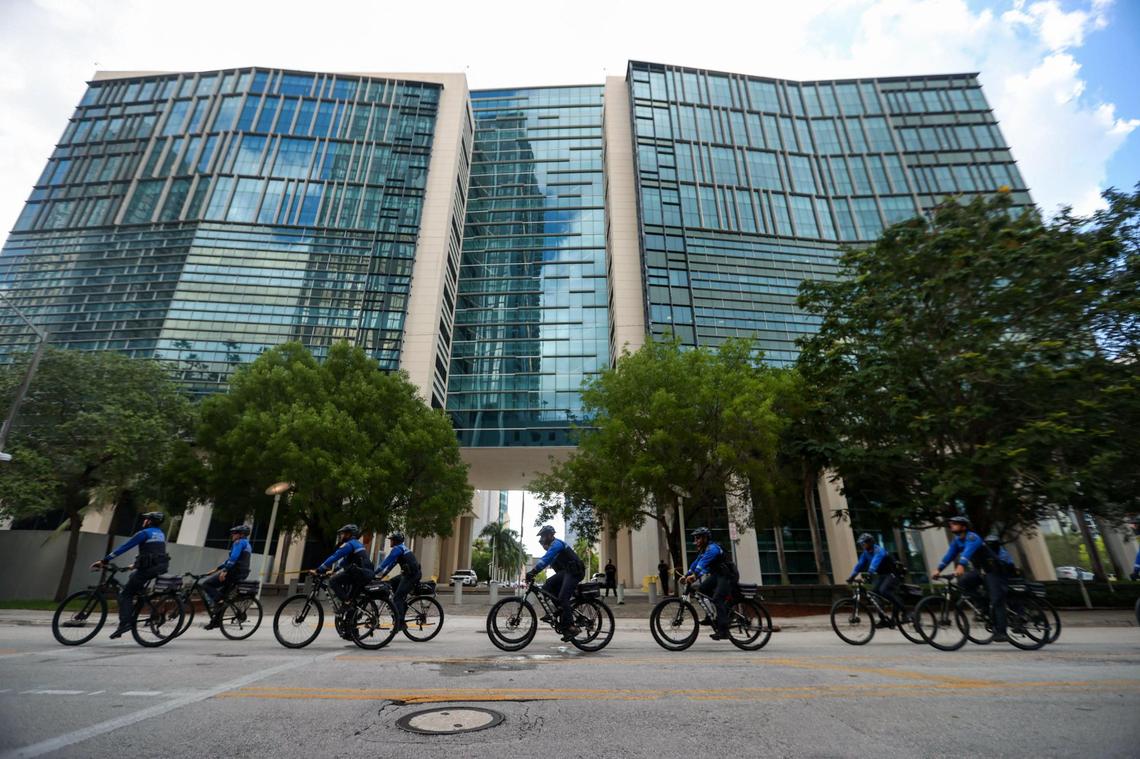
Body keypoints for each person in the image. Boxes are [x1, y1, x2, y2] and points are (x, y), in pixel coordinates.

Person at [90, 511, 170, 639]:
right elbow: (154, 551)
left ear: (149, 521)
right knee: (134, 579)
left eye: (146, 519)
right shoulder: (160, 534)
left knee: (125, 594)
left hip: (148, 569)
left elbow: (124, 547)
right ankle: (139, 603)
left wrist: (104, 560)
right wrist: (134, 565)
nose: (144, 521)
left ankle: (125, 624)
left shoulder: (143, 533)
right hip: (160, 567)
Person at [933, 516, 1008, 642]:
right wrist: (939, 569)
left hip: (993, 570)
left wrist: (961, 565)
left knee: (996, 599)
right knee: (963, 582)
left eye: (955, 524)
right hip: (981, 571)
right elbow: (949, 555)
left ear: (964, 526)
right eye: (951, 524)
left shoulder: (973, 537)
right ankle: (983, 606)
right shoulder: (957, 541)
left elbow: (968, 552)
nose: (951, 526)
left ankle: (1002, 632)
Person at [526, 525, 585, 641]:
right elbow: (555, 568)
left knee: (563, 597)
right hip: (567, 572)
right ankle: (560, 611)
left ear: (550, 535)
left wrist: (533, 572)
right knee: (547, 586)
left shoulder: (556, 544)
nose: (542, 540)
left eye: (543, 537)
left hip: (575, 571)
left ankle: (571, 627)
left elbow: (545, 559)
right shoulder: (552, 551)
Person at [682, 527, 734, 641]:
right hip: (717, 575)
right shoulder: (704, 550)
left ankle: (724, 631)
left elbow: (703, 564)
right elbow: (696, 563)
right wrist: (686, 575)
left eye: (698, 538)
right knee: (702, 590)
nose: (696, 541)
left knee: (717, 598)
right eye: (695, 538)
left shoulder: (712, 548)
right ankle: (710, 617)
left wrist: (695, 575)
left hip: (727, 576)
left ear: (705, 538)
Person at [846, 533, 903, 626]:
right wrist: (852, 577)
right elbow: (859, 565)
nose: (862, 546)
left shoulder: (879, 550)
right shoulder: (865, 553)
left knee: (883, 590)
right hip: (883, 575)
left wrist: (869, 574)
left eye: (863, 543)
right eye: (861, 544)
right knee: (875, 594)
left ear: (870, 542)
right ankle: (883, 619)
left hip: (893, 573)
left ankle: (905, 611)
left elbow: (874, 563)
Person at [201, 525, 252, 630]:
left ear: (241, 535)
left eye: (235, 533)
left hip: (234, 573)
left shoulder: (238, 542)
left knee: (207, 584)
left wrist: (224, 570)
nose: (232, 535)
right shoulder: (247, 544)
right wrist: (218, 568)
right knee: (222, 596)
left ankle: (218, 601)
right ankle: (216, 621)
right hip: (241, 573)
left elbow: (233, 558)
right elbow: (233, 559)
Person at [315, 524, 374, 602]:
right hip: (365, 574)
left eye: (343, 533)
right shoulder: (357, 543)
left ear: (348, 534)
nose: (341, 536)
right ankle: (349, 607)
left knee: (333, 581)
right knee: (351, 600)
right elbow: (344, 561)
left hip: (359, 574)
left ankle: (346, 603)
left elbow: (335, 556)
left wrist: (319, 569)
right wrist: (334, 570)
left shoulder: (349, 544)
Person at [375, 532, 421, 630]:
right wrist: (383, 575)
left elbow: (386, 562)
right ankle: (399, 607)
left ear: (395, 541)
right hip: (407, 574)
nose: (390, 541)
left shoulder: (397, 549)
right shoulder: (401, 549)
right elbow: (392, 564)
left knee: (397, 598)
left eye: (391, 540)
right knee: (390, 583)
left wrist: (375, 572)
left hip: (412, 576)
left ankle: (400, 623)